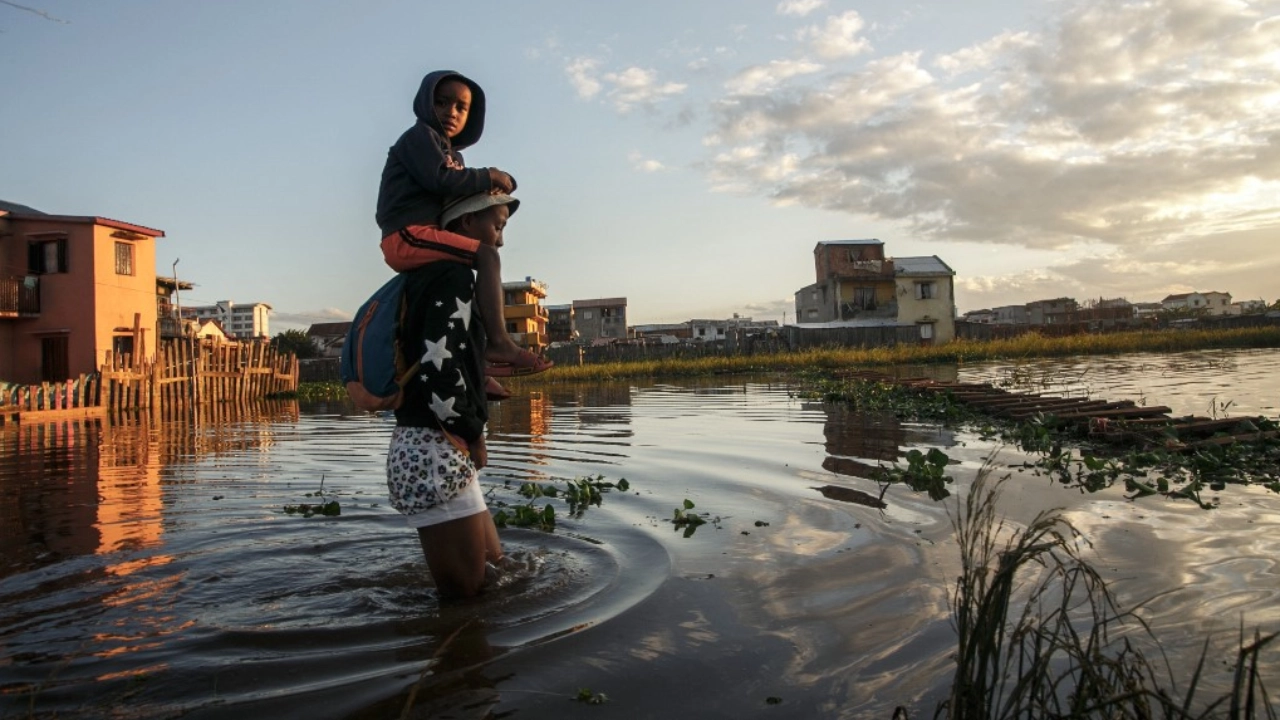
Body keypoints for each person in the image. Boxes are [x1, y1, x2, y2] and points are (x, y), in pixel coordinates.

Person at [386, 193, 524, 600]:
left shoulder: (430, 277)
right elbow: (439, 370)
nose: (499, 241)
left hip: (436, 449)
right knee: (466, 597)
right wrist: (473, 432)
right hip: (435, 451)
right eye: (496, 227)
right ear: (466, 224)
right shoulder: (452, 275)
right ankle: (454, 660)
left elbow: (446, 359)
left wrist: (481, 387)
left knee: (498, 573)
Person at [375, 69, 551, 377]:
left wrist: (489, 187)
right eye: (442, 103)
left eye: (461, 107)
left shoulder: (452, 155)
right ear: (426, 103)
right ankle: (499, 342)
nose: (450, 112)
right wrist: (488, 175)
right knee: (487, 255)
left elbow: (457, 194)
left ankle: (475, 366)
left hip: (426, 234)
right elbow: (441, 179)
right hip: (406, 235)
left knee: (469, 285)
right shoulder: (420, 137)